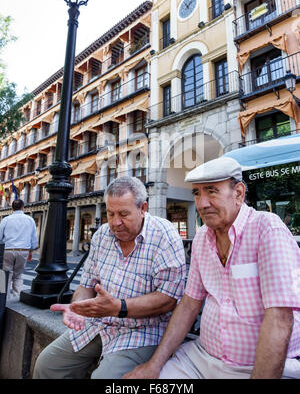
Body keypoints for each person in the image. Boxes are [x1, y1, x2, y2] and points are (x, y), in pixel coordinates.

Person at [124, 156, 300, 380]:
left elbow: (280, 318)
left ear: (238, 192)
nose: (202, 203)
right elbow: (189, 303)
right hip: (201, 358)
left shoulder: (267, 229)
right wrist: (154, 365)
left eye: (212, 191)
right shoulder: (201, 239)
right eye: (196, 193)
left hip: (261, 366)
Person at [33, 176, 186, 379]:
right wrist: (78, 307)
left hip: (143, 331)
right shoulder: (102, 235)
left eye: (124, 214)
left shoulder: (165, 235)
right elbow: (86, 285)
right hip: (98, 323)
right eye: (110, 213)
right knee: (47, 365)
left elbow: (168, 299)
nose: (115, 222)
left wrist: (119, 307)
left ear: (143, 208)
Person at [0, 199, 38, 299]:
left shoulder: (6, 219)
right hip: (23, 250)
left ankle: (4, 299)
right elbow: (34, 237)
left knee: (4, 275)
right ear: (23, 207)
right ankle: (17, 298)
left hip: (8, 250)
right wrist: (31, 250)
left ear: (12, 208)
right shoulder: (30, 220)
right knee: (18, 275)